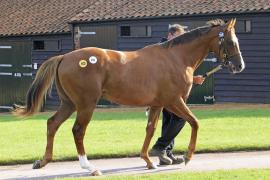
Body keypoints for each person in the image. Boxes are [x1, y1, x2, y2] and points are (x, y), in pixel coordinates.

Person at [151, 24, 205, 165]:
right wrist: (193, 79)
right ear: (170, 35)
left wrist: (193, 79)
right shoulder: (163, 49)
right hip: (167, 92)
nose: (181, 40)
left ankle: (166, 153)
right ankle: (160, 147)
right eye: (178, 37)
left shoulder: (169, 49)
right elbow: (170, 75)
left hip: (167, 92)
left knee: (169, 121)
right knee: (180, 118)